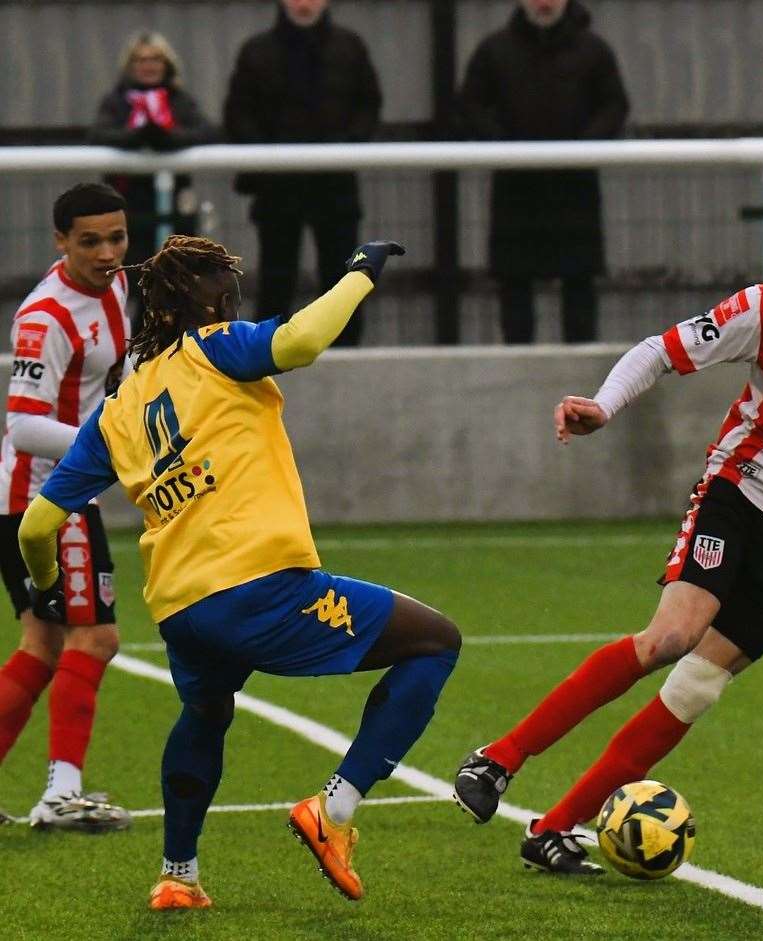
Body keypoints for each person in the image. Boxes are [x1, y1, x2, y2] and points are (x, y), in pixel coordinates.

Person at [451, 195, 763, 874]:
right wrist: (603, 404)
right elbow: (659, 350)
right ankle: (498, 758)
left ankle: (553, 828)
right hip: (738, 496)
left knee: (695, 687)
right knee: (671, 637)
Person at [17, 236, 460, 908]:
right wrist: (361, 272)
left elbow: (36, 526)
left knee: (204, 712)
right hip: (260, 585)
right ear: (214, 297)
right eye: (228, 286)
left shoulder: (118, 409)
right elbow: (305, 340)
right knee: (435, 640)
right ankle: (333, 810)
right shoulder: (216, 347)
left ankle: (178, 874)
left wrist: (46, 581)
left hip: (181, 609)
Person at [0, 184, 134, 832]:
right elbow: (23, 426)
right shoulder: (45, 317)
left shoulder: (115, 288)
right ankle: (61, 793)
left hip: (61, 489)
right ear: (60, 241)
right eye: (90, 241)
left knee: (44, 642)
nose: (108, 253)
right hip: (43, 495)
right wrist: (121, 449)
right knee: (95, 636)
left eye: (118, 237)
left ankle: (59, 789)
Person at [457, 0, 629, 344]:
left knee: (579, 283)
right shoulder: (495, 50)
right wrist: (505, 146)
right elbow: (469, 104)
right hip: (515, 187)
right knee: (514, 285)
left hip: (574, 186)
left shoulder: (593, 51)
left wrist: (582, 148)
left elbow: (614, 105)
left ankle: (582, 382)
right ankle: (515, 372)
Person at [223, 0, 381, 345]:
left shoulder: (349, 47)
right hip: (278, 186)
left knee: (343, 277)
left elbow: (369, 104)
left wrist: (346, 146)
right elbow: (238, 112)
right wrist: (269, 156)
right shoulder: (257, 52)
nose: (305, 4)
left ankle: (346, 353)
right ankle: (264, 359)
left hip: (336, 183)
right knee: (276, 277)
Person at [88, 31, 219, 332]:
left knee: (178, 278)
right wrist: (135, 139)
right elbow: (99, 134)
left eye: (155, 59)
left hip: (175, 209)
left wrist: (169, 140)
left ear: (167, 64)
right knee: (136, 282)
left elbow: (206, 132)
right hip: (131, 209)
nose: (148, 65)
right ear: (130, 65)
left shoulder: (179, 101)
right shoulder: (118, 102)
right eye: (141, 59)